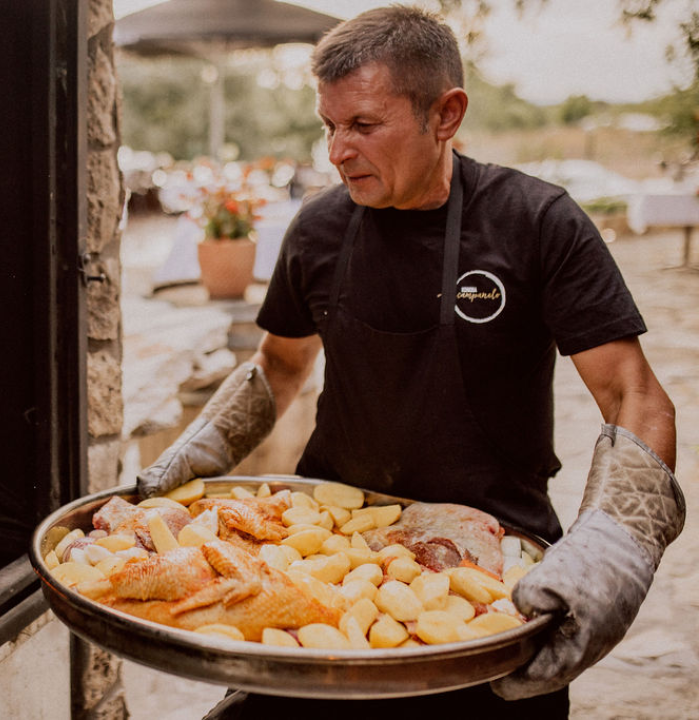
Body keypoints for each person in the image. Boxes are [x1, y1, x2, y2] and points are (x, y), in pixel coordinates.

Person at [136, 5, 686, 718]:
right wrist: (200, 449)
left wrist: (613, 553)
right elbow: (278, 367)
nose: (337, 150)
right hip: (329, 559)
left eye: (363, 125)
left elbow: (633, 396)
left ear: (445, 114)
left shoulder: (536, 222)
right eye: (329, 126)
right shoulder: (318, 228)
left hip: (493, 564)